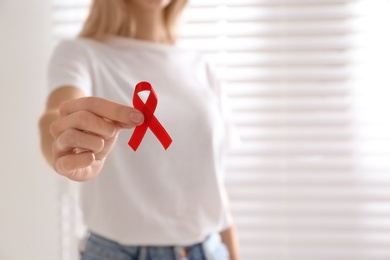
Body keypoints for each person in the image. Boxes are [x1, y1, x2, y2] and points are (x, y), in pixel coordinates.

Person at [39, 0, 240, 259]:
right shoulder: (80, 54)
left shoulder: (202, 67)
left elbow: (213, 184)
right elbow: (57, 114)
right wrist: (62, 144)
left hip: (208, 250)